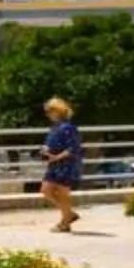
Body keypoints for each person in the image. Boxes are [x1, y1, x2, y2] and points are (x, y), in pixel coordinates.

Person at [38, 96, 84, 233]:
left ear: (58, 111)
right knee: (45, 190)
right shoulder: (54, 127)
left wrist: (56, 157)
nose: (47, 114)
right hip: (54, 163)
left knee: (63, 193)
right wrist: (45, 151)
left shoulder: (68, 128)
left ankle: (65, 223)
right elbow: (49, 144)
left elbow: (73, 148)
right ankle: (69, 214)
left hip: (66, 164)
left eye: (50, 111)